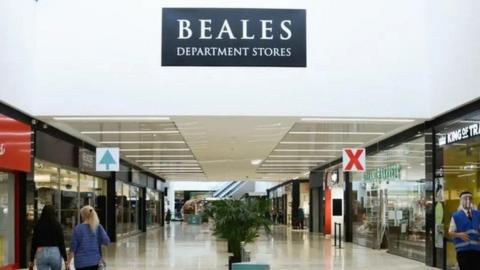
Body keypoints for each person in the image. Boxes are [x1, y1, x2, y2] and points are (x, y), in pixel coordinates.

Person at [67, 205, 110, 270]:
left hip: (80, 263)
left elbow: (73, 248)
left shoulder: (78, 228)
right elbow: (106, 241)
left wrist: (68, 263)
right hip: (94, 262)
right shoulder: (98, 227)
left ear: (83, 215)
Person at [29, 205, 68, 270]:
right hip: (55, 252)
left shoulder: (38, 225)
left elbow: (34, 243)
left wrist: (31, 260)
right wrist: (65, 259)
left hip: (41, 251)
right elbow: (61, 243)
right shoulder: (57, 225)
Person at [448, 191, 480, 270]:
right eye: (465, 198)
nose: (468, 201)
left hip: (476, 250)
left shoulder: (478, 214)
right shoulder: (456, 215)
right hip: (462, 251)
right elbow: (450, 232)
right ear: (461, 201)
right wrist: (459, 235)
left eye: (470, 198)